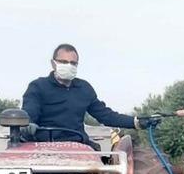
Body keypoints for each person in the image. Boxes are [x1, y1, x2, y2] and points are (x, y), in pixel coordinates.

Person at [21, 43, 160, 142]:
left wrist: (136, 122)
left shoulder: (84, 89)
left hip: (78, 145)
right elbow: (29, 114)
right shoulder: (37, 87)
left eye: (73, 63)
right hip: (43, 145)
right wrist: (27, 125)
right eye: (63, 62)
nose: (68, 66)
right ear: (53, 63)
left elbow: (106, 116)